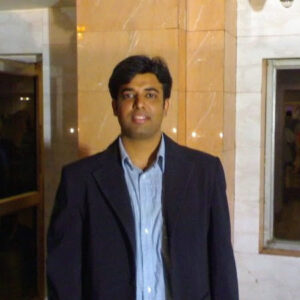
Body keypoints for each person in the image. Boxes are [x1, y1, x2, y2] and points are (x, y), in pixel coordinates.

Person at [47, 55, 239, 300]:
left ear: (165, 105)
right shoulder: (79, 180)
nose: (139, 104)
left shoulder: (204, 172)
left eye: (150, 95)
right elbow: (63, 274)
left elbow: (221, 261)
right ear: (115, 106)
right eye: (128, 95)